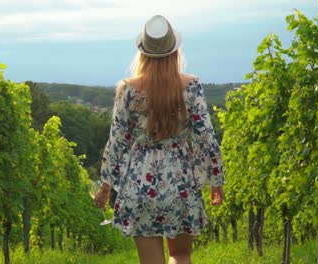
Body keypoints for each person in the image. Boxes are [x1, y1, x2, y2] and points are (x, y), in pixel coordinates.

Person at [94, 15, 224, 264]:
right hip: (181, 184)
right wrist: (216, 180)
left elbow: (117, 141)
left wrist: (105, 187)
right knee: (181, 255)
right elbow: (206, 137)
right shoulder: (191, 86)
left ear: (143, 53)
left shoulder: (128, 89)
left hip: (140, 184)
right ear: (174, 51)